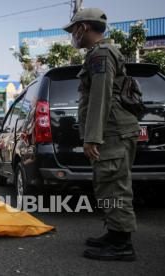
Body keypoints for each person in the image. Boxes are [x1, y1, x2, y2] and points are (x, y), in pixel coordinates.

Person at [63, 8, 141, 261]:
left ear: (83, 27)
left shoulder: (102, 54)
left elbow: (101, 96)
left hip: (112, 132)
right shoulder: (98, 54)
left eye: (73, 29)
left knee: (115, 186)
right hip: (112, 132)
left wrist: (92, 137)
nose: (72, 35)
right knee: (107, 184)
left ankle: (122, 244)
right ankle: (114, 234)